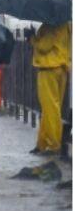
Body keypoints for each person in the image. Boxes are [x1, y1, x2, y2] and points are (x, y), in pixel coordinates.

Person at [30, 21, 72, 156]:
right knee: (52, 107)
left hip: (48, 69)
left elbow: (44, 46)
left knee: (49, 108)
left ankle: (54, 144)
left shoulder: (50, 25)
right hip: (62, 69)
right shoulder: (66, 25)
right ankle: (42, 144)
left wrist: (32, 38)